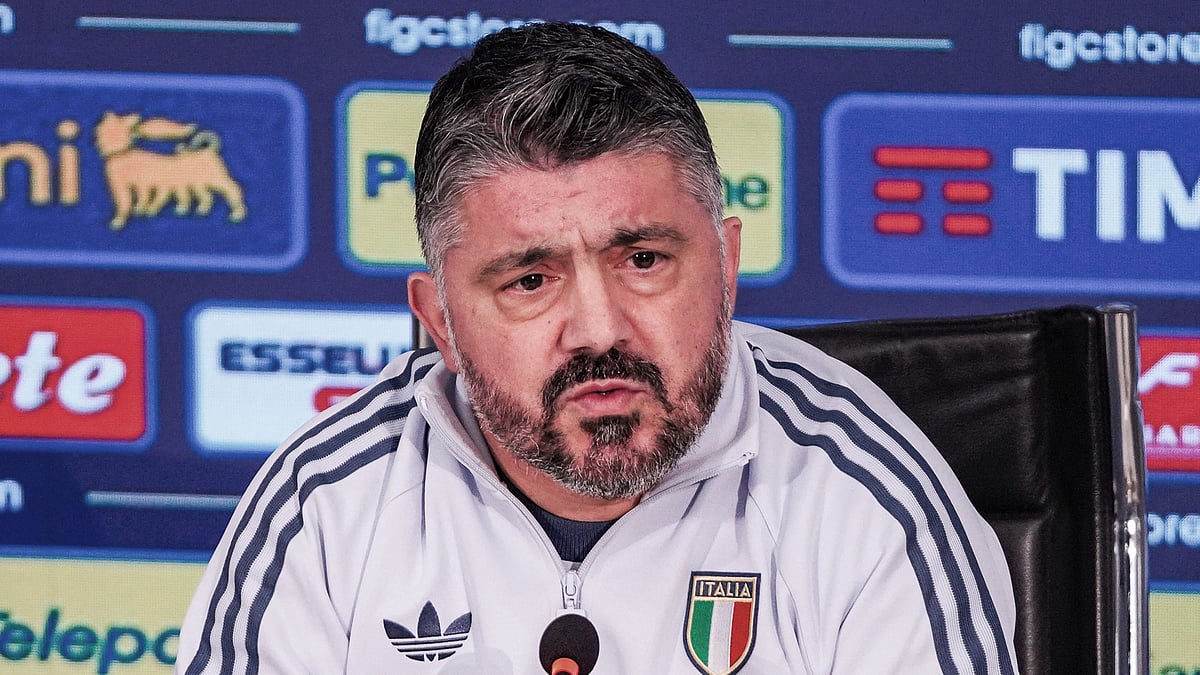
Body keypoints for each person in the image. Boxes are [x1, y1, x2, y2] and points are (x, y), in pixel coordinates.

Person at [177, 21, 1018, 674]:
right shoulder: (324, 509)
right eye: (530, 280)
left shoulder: (861, 494)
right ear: (441, 324)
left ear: (725, 265)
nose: (600, 328)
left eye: (643, 259)